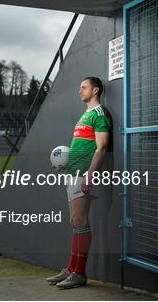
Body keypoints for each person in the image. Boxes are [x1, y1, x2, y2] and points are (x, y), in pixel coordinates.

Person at [46, 76, 113, 289]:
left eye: (83, 87)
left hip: (85, 176)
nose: (79, 91)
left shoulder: (100, 114)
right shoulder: (85, 115)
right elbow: (82, 147)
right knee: (75, 223)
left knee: (81, 222)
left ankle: (80, 273)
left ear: (95, 90)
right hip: (73, 174)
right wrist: (64, 163)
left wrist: (90, 174)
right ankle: (71, 268)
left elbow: (101, 147)